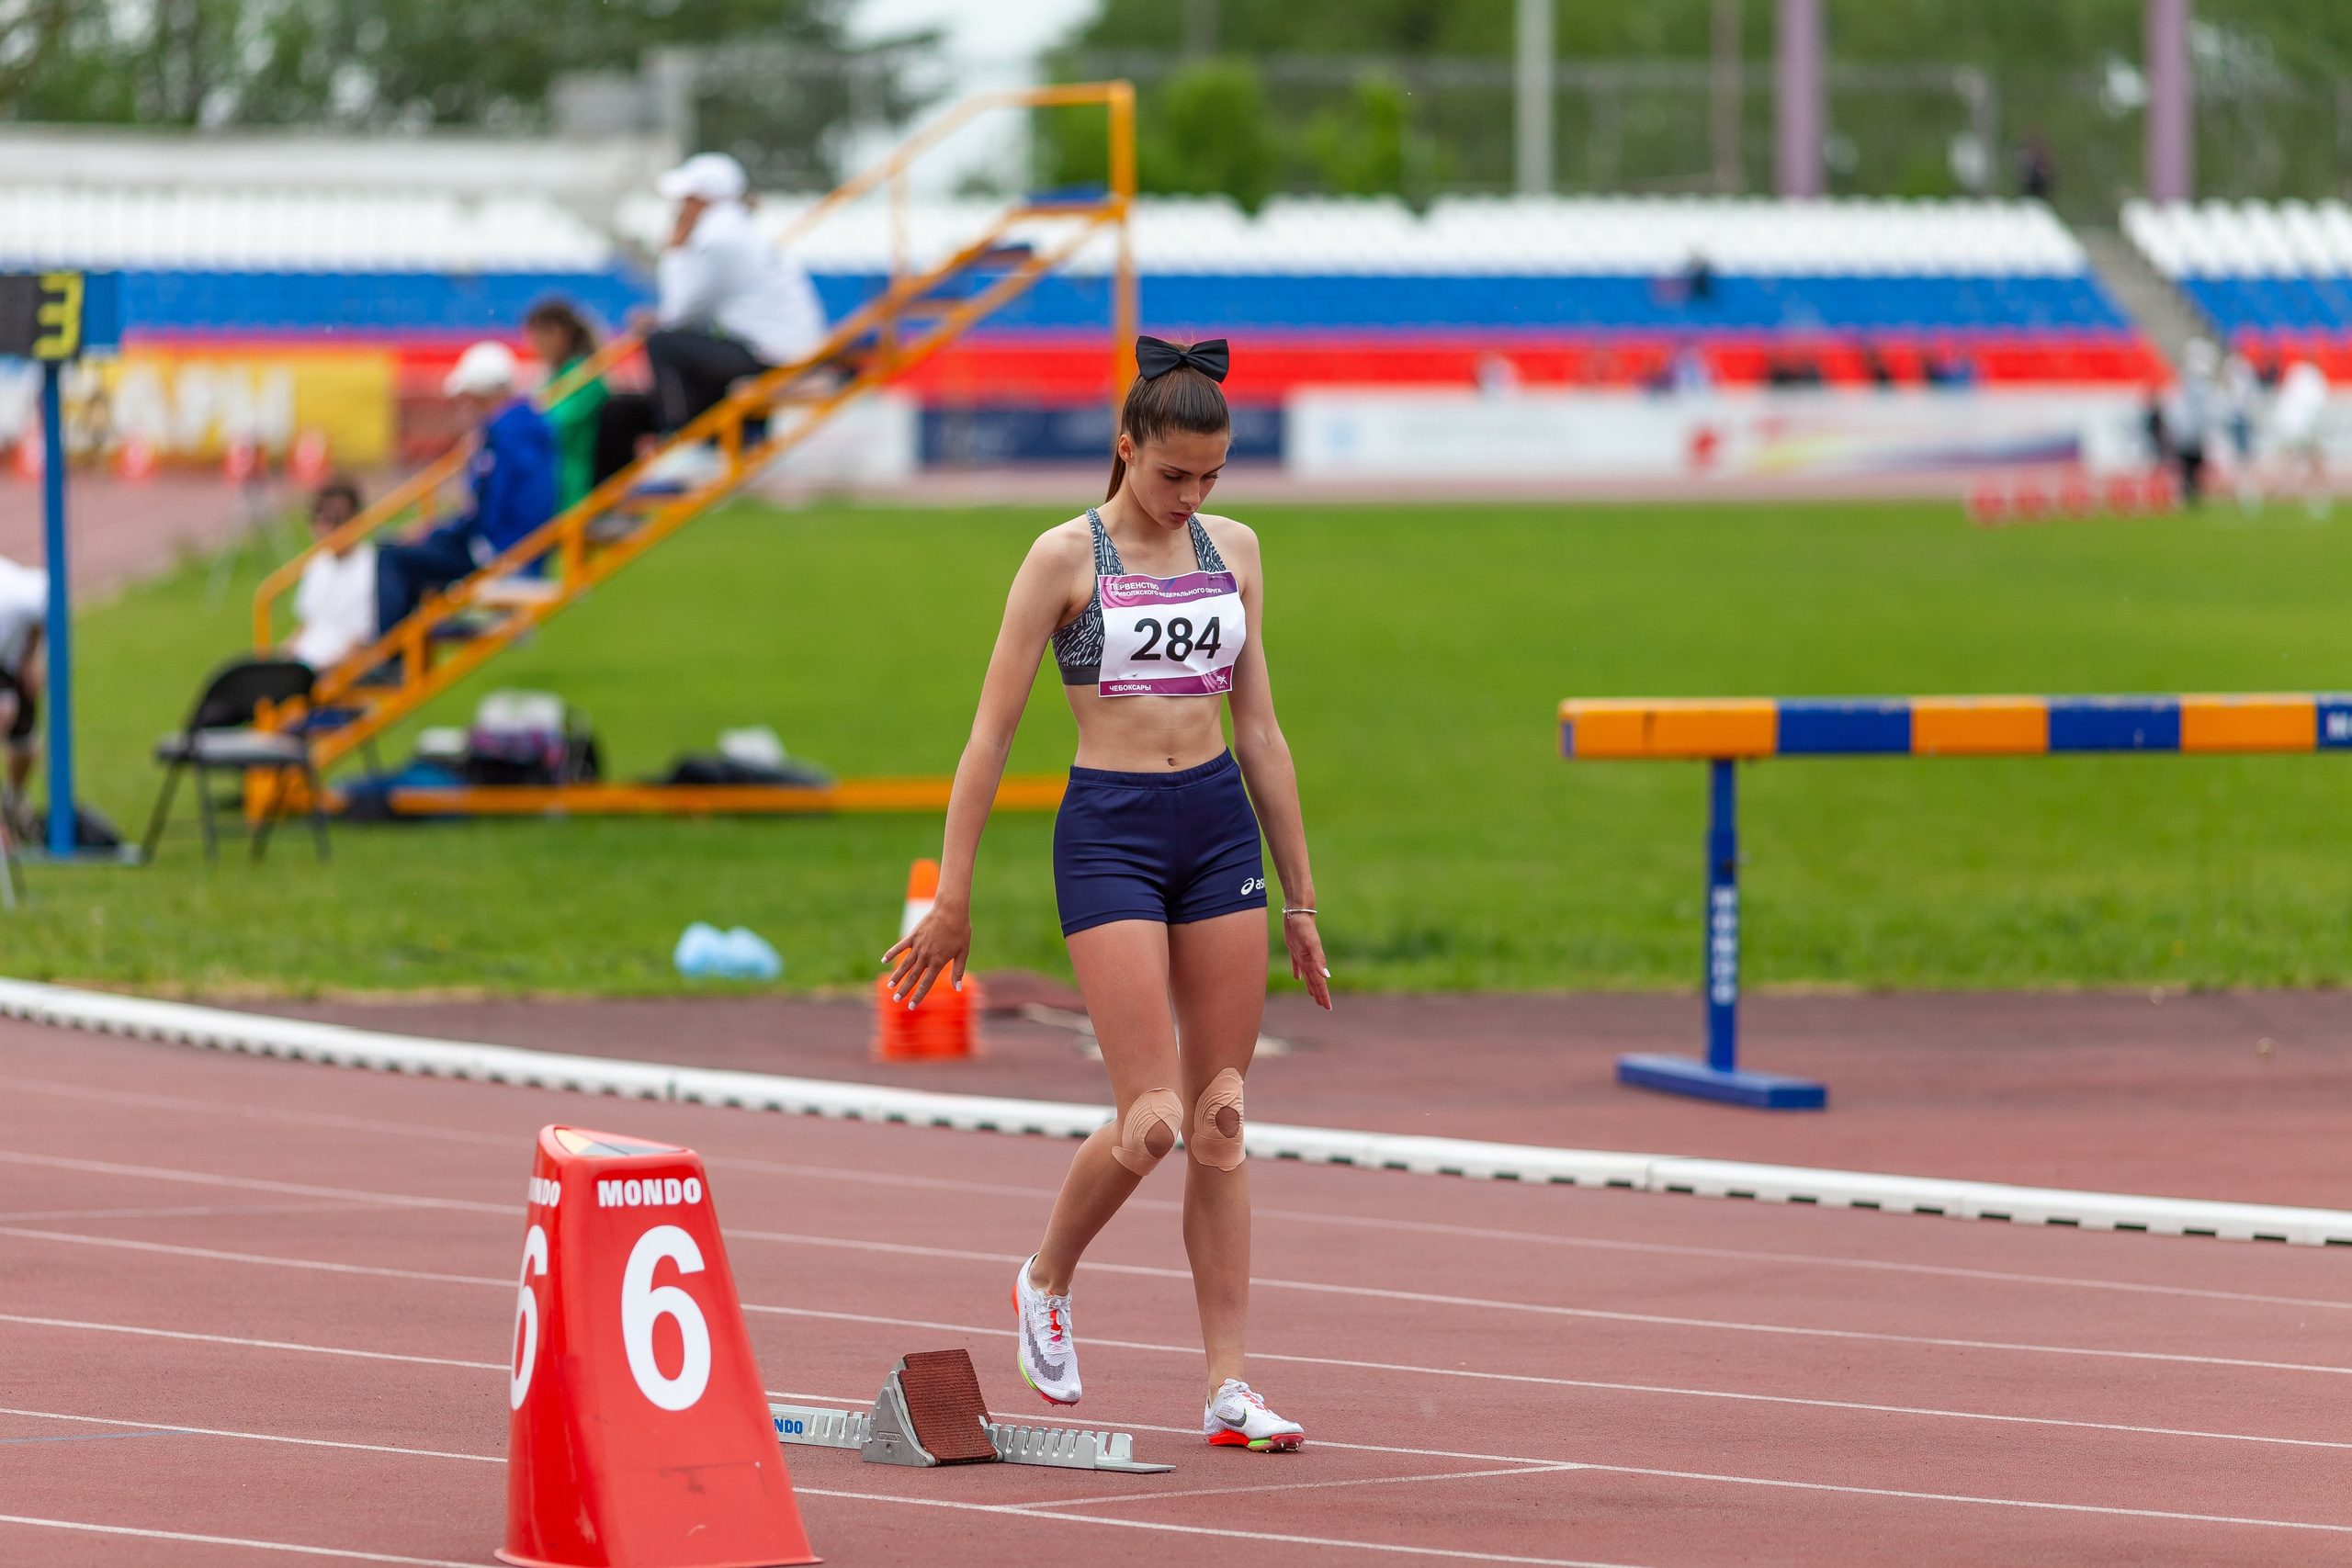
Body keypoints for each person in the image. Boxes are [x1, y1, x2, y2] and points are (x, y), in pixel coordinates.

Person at [883, 336, 1330, 1456]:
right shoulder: (1061, 560)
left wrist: (1302, 901)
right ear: (1125, 449)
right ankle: (1046, 1274)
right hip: (1111, 836)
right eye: (1173, 475)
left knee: (1222, 1118)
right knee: (1154, 1123)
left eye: (1211, 478)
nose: (1191, 498)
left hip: (1217, 825)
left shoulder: (1235, 551)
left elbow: (1262, 729)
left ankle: (1228, 1385)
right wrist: (952, 897)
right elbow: (988, 737)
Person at [596, 152, 831, 483]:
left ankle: (683, 446)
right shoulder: (735, 230)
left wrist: (674, 250)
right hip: (769, 349)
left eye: (687, 199)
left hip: (772, 354)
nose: (680, 208)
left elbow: (682, 312)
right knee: (619, 410)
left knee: (663, 343)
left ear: (703, 199)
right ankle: (619, 497)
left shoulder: (718, 236)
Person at [376, 342, 557, 635]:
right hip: (511, 546)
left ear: (484, 393)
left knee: (393, 557)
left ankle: (390, 657)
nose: (467, 404)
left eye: (470, 397)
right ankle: (410, 642)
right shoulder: (522, 427)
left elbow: (489, 512)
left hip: (501, 551)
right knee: (408, 555)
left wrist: (433, 533)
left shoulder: (505, 435)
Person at [525, 300, 609, 512]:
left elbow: (549, 425)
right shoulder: (556, 378)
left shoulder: (584, 377)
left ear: (560, 333)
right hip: (553, 483)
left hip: (572, 487)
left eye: (539, 336)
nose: (535, 344)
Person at [286, 479, 377, 671]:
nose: (325, 528)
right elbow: (307, 625)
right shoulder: (317, 564)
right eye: (319, 518)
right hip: (304, 666)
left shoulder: (372, 568)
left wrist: (314, 671)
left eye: (336, 520)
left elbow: (362, 645)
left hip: (334, 671)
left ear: (356, 520)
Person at [0, 553, 45, 845]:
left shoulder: (21, 593)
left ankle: (14, 801)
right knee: (5, 711)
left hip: (11, 658)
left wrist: (30, 656)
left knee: (26, 743)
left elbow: (45, 598)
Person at [2270, 357, 2331, 517]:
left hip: (2291, 425)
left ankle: (2285, 490)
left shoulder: (2297, 372)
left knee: (2295, 458)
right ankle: (2317, 492)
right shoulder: (2313, 376)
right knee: (2314, 459)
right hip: (2303, 426)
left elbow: (2286, 397)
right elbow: (2318, 402)